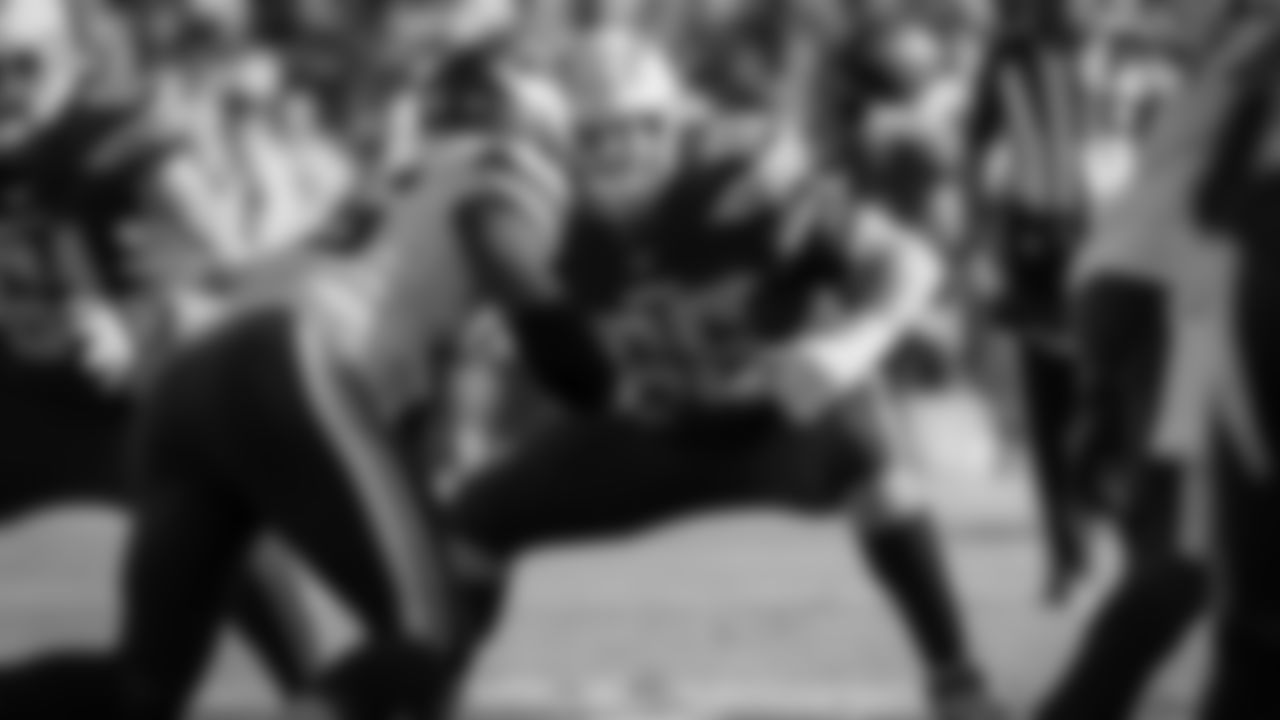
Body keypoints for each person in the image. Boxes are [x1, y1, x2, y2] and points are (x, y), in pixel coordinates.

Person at [433, 29, 1005, 720]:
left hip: (776, 419)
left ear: (674, 119)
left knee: (872, 452)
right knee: (475, 521)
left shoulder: (744, 176)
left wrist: (851, 347)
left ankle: (957, 680)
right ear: (560, 139)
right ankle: (420, 693)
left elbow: (910, 263)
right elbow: (496, 338)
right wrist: (472, 418)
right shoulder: (542, 212)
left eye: (639, 128)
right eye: (595, 135)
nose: (619, 152)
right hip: (648, 433)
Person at [0, 0, 320, 712]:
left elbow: (229, 259)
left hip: (131, 412)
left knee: (224, 557)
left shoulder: (113, 141)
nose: (7, 86)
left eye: (24, 66)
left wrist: (161, 304)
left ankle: (326, 696)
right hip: (23, 401)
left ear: (74, 61)